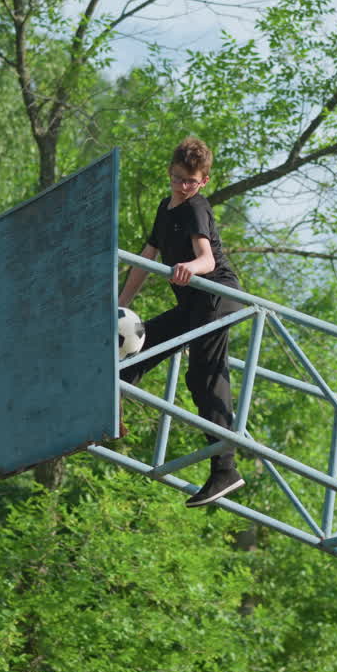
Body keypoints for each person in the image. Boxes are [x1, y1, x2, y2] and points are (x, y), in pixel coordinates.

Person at [118, 136, 246, 508]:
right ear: (169, 173)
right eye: (177, 178)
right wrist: (121, 305)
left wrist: (189, 267)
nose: (183, 186)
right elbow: (146, 257)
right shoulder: (166, 208)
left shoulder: (196, 208)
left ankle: (225, 469)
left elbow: (207, 259)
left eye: (191, 181)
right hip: (193, 304)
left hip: (216, 295)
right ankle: (111, 400)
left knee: (203, 376)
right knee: (144, 341)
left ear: (204, 181)